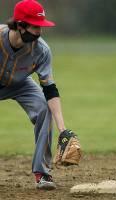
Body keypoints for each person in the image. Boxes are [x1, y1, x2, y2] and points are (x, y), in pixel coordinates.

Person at [0, 0, 75, 190]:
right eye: (35, 27)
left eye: (41, 27)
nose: (39, 32)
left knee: (44, 107)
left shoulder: (41, 50)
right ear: (20, 24)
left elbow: (50, 89)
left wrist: (63, 129)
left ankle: (42, 173)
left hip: (20, 83)